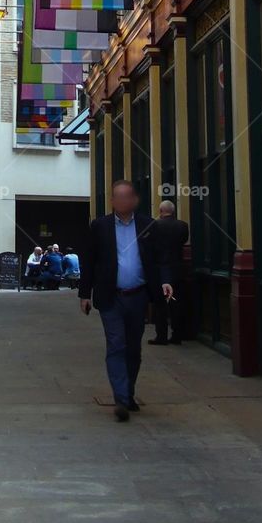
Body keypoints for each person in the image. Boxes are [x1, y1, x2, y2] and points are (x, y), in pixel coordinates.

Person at [79, 179, 176, 422]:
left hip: (138, 296)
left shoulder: (149, 226)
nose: (122, 201)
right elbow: (89, 261)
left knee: (133, 349)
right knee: (116, 345)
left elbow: (160, 259)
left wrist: (165, 281)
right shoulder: (99, 226)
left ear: (134, 200)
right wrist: (84, 293)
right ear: (112, 201)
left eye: (127, 196)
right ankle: (121, 399)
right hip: (110, 297)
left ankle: (128, 392)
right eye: (117, 196)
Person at [148, 199, 189, 346]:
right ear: (174, 211)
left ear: (160, 211)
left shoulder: (154, 226)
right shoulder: (183, 226)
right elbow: (184, 242)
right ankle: (177, 335)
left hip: (160, 270)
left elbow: (149, 247)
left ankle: (162, 336)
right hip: (177, 268)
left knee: (160, 305)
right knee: (176, 304)